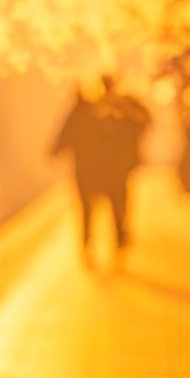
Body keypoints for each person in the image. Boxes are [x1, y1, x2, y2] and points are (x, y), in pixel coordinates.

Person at [57, 90, 149, 264]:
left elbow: (61, 140)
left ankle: (101, 246)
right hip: (106, 171)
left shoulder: (88, 108)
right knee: (111, 208)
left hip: (96, 171)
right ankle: (108, 246)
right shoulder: (91, 107)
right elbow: (144, 122)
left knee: (93, 210)